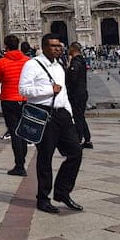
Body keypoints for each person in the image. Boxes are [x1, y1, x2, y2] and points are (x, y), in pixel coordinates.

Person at [19, 33, 83, 214]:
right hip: (43, 115)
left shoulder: (59, 66)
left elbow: (62, 93)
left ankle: (62, 191)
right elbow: (23, 89)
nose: (58, 48)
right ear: (44, 47)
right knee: (45, 157)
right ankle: (43, 198)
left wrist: (69, 114)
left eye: (59, 45)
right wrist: (48, 90)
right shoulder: (32, 64)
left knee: (75, 152)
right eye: (54, 46)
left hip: (61, 114)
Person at [0, 34, 29, 176]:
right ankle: (22, 160)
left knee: (14, 132)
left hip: (9, 100)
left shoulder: (1, 62)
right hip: (25, 100)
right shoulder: (27, 61)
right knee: (23, 131)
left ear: (5, 46)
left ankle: (20, 165)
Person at [66, 42, 92, 148]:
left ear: (73, 49)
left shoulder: (76, 62)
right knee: (80, 116)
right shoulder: (81, 60)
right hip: (82, 93)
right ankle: (87, 140)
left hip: (77, 94)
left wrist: (68, 70)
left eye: (69, 48)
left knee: (77, 117)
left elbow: (73, 78)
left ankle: (79, 140)